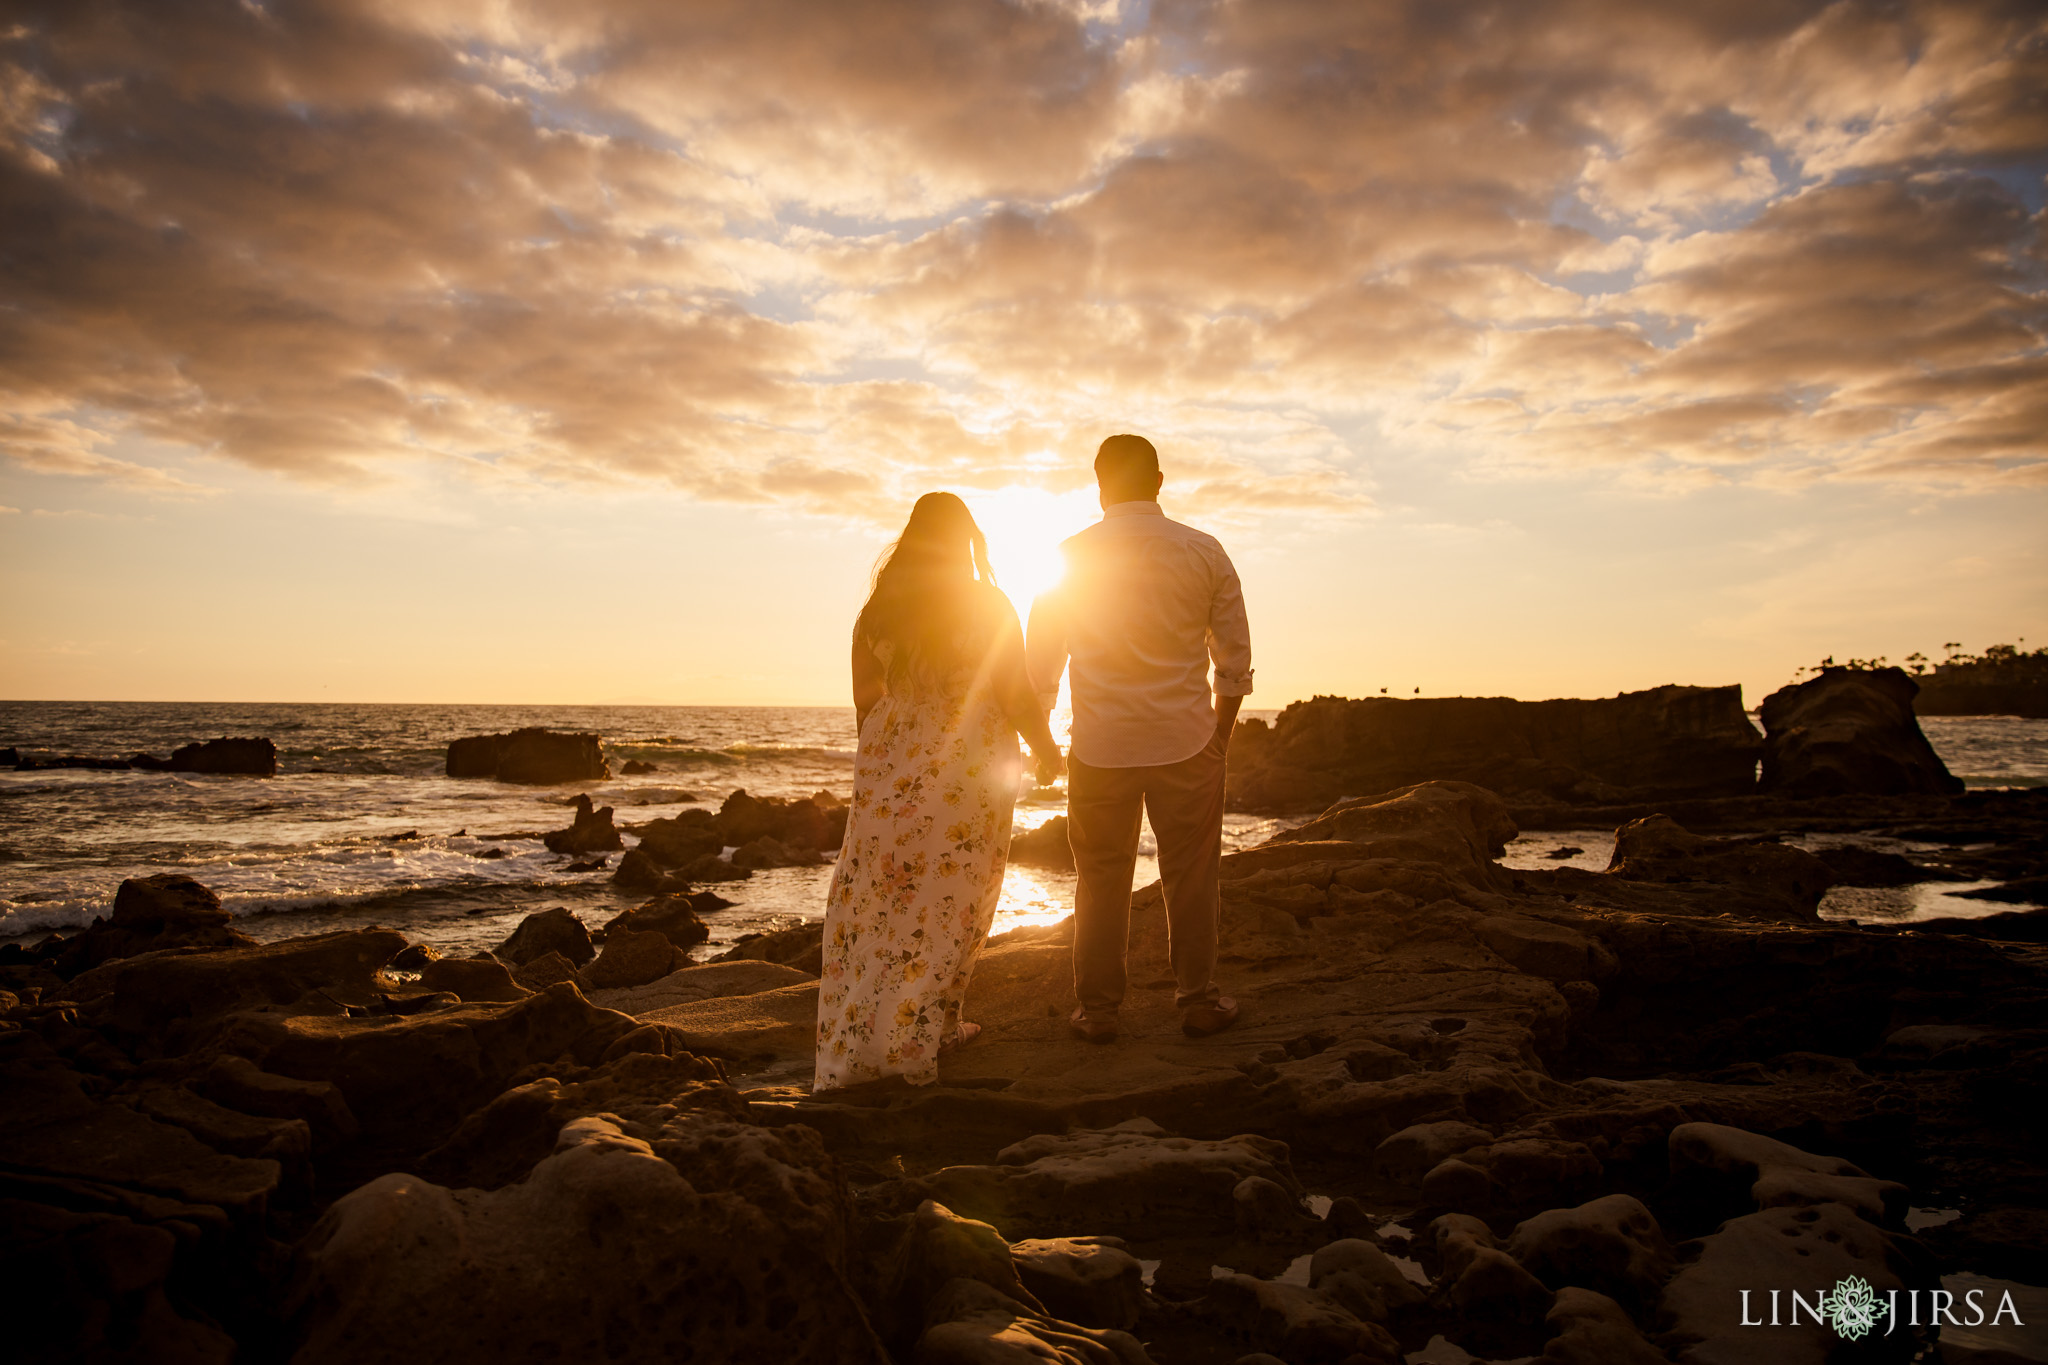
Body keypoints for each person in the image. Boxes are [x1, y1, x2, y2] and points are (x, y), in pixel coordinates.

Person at [814, 492, 1064, 1092]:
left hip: (888, 759)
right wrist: (1047, 749)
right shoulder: (987, 605)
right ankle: (921, 1035)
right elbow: (1013, 690)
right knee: (954, 897)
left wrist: (878, 770)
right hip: (967, 763)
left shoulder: (879, 612)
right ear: (966, 543)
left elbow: (864, 701)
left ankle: (866, 1040)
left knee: (878, 900)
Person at [1026, 434, 1252, 1042]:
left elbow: (1039, 669)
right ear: (1158, 481)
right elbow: (1234, 660)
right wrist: (1219, 738)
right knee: (1193, 873)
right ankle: (1198, 1000)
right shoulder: (1203, 550)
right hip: (1186, 738)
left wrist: (1046, 743)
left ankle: (1098, 1012)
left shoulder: (1069, 558)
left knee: (1099, 875)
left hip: (1099, 745)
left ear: (1100, 485)